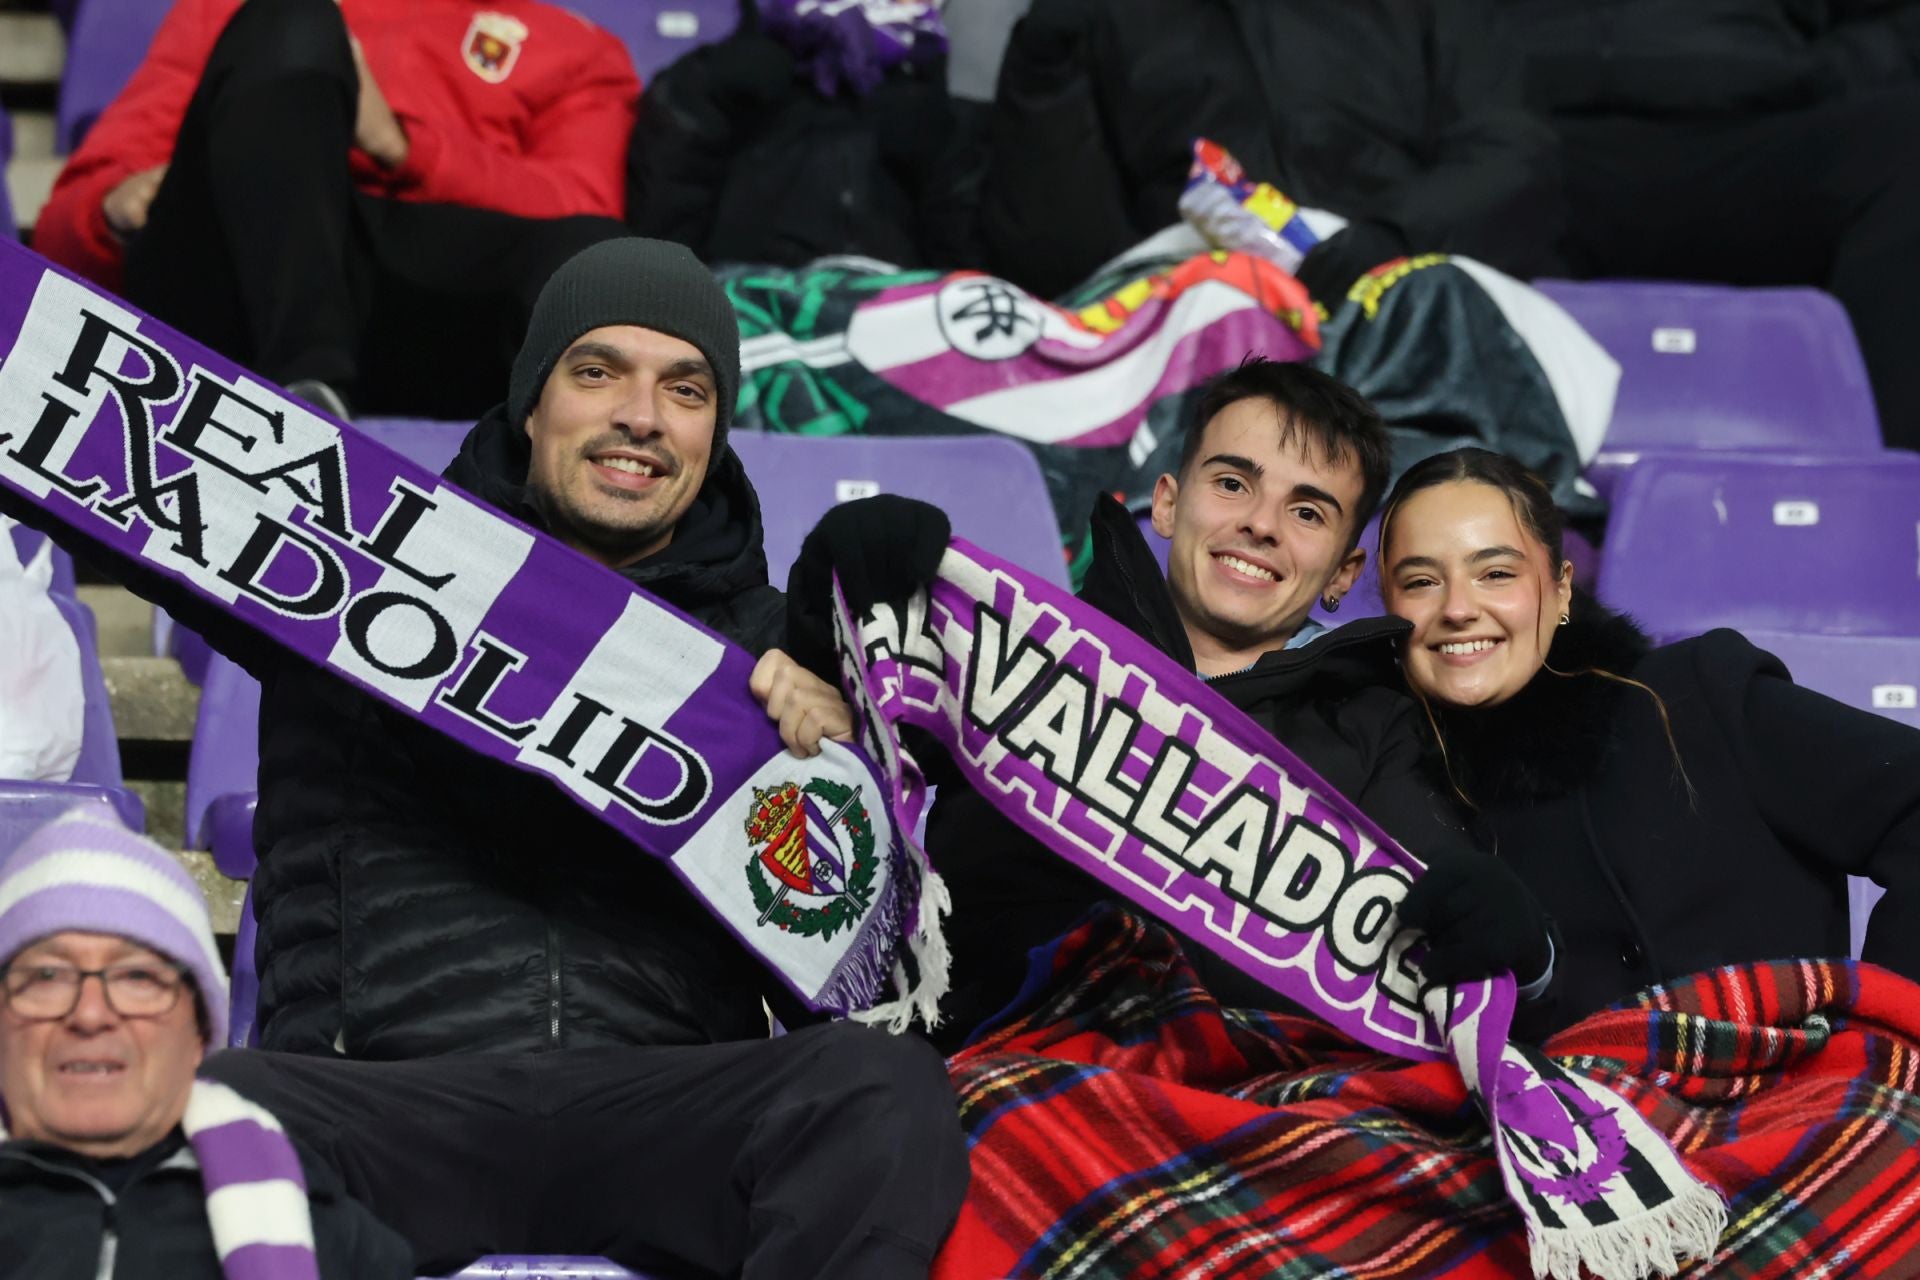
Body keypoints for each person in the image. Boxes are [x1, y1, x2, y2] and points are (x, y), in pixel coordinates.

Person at [202, 237, 967, 1278]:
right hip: (385, 1107)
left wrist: (862, 748)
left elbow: (901, 955)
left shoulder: (777, 648)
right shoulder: (350, 566)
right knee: (203, 1108)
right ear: (531, 400)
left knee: (882, 1088)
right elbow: (102, 465)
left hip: (661, 1113)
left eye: (684, 388)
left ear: (715, 427)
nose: (641, 417)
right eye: (598, 370)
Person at [790, 360, 1548, 1050]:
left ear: (1344, 573)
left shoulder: (1372, 722)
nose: (1260, 524)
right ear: (1166, 502)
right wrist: (829, 622)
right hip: (979, 1066)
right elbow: (843, 783)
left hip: (1240, 1103)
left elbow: (1438, 899)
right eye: (1232, 484)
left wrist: (1516, 943)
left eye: (1308, 512)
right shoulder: (1015, 645)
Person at [1376, 447, 1920, 1035]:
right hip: (1558, 1117)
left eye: (1496, 574)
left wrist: (1883, 1038)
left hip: (1789, 1100)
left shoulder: (1699, 697)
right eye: (1422, 581)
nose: (1458, 608)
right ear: (1386, 605)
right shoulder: (1387, 781)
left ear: (1560, 591)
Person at [34, 0, 638, 421]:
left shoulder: (577, 48)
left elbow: (586, 211)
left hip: (438, 317)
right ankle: (306, 399)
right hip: (242, 290)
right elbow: (65, 233)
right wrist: (111, 209)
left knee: (592, 262)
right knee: (294, 20)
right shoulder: (226, 7)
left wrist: (404, 147)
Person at [0, 807, 412, 1279]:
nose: (90, 1014)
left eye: (138, 977)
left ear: (199, 1032)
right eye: (47, 977)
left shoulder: (335, 1244)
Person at [1499, 0, 1920, 450]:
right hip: (1527, 133)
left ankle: (1893, 494)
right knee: (1453, 181)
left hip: (1754, 124)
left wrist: (1825, 71)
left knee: (1907, 143)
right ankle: (1444, 483)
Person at [978, 0, 1565, 301]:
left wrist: (1393, 239)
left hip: (1401, 305)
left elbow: (1515, 155)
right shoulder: (1106, 13)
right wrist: (1044, 67)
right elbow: (1052, 258)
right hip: (1186, 337)